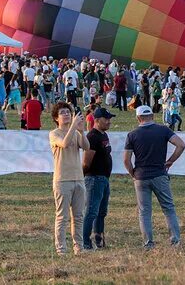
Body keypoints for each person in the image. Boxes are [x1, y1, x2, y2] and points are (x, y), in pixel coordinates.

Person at [123, 105, 185, 249]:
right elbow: (181, 145)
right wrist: (170, 161)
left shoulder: (132, 134)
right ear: (153, 116)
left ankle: (148, 243)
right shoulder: (163, 130)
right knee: (168, 208)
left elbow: (126, 160)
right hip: (159, 174)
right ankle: (175, 241)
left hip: (141, 176)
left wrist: (133, 173)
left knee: (144, 211)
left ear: (138, 118)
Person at [49, 101, 90, 255]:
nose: (66, 114)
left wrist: (82, 131)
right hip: (62, 179)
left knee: (78, 216)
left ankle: (78, 247)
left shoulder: (75, 132)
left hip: (78, 178)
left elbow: (86, 146)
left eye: (68, 112)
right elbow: (65, 144)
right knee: (62, 216)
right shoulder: (54, 134)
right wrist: (73, 126)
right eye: (63, 113)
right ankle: (61, 250)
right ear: (56, 118)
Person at [83, 107, 115, 250]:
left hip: (104, 179)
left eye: (109, 119)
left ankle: (99, 240)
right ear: (96, 120)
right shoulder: (92, 137)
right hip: (94, 178)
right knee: (91, 212)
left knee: (101, 212)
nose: (109, 121)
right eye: (106, 119)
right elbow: (86, 162)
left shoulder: (104, 135)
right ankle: (86, 242)